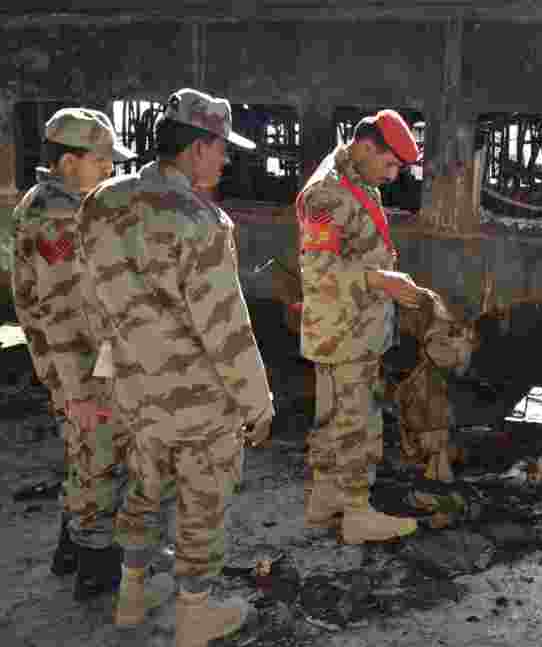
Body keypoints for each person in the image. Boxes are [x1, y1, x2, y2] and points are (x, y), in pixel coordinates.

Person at [76, 88, 274, 646]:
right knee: (202, 499)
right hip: (198, 398)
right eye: (221, 148)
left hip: (133, 386)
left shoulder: (101, 202)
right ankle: (194, 612)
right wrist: (257, 404)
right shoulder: (201, 221)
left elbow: (89, 301)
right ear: (196, 148)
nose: (226, 159)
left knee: (143, 486)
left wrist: (113, 366)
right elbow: (226, 330)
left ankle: (131, 595)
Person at [10, 107, 139, 599]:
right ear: (68, 164)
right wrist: (81, 389)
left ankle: (72, 548)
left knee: (83, 453)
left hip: (76, 363)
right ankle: (96, 566)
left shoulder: (50, 203)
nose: (110, 169)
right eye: (102, 159)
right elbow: (63, 313)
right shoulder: (57, 217)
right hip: (81, 366)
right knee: (99, 458)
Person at [297, 109, 426, 544]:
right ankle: (356, 512)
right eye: (390, 164)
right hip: (345, 329)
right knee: (356, 421)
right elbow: (316, 269)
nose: (392, 176)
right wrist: (378, 279)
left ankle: (324, 498)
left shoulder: (355, 175)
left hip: (350, 324)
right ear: (367, 147)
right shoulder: (327, 194)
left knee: (332, 416)